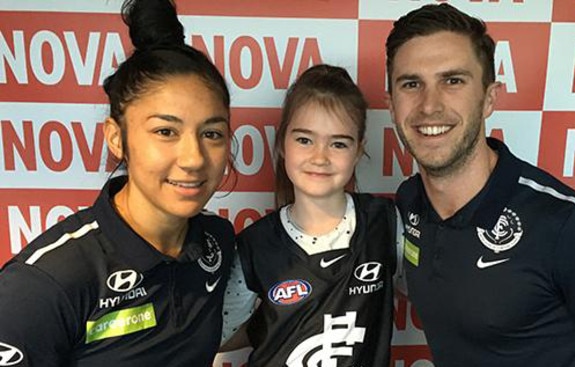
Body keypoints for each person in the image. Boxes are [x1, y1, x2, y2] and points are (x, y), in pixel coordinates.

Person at [386, 3, 575, 367]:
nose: (430, 106)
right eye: (412, 84)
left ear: (489, 98)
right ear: (390, 104)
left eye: (453, 81)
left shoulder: (568, 227)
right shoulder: (409, 202)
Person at [0, 0, 235, 365]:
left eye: (212, 133)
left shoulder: (216, 242)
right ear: (116, 137)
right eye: (165, 131)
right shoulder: (45, 283)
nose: (193, 159)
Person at [223, 64, 400, 366]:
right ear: (281, 144)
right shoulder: (254, 246)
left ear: (359, 151)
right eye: (305, 140)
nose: (320, 157)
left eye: (339, 143)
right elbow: (217, 337)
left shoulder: (387, 224)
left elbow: (442, 300)